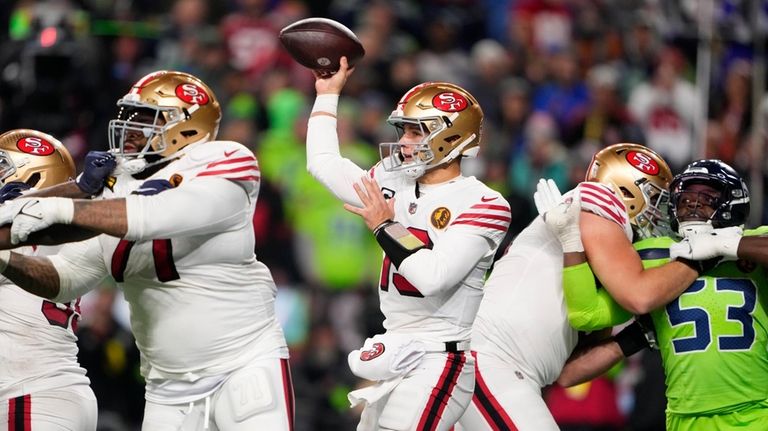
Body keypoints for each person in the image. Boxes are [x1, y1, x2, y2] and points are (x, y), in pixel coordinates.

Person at [0, 71, 294, 430]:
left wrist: (63, 206)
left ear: (186, 127)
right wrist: (5, 258)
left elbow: (153, 215)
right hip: (166, 388)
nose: (130, 127)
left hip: (242, 363)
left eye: (145, 118)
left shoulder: (225, 160)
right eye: (128, 116)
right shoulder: (117, 186)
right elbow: (65, 279)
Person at [306, 57, 511, 430]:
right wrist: (327, 95)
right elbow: (322, 162)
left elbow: (433, 276)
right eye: (403, 131)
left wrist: (386, 225)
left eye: (416, 132)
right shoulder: (392, 181)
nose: (403, 142)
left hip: (439, 358)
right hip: (396, 350)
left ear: (450, 137)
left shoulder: (485, 203)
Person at [456, 143, 702, 430]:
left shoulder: (592, 238)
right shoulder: (598, 203)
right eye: (655, 200)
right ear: (627, 191)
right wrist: (698, 259)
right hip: (491, 363)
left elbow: (570, 373)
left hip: (503, 369)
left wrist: (636, 336)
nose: (660, 215)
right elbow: (640, 296)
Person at [553, 159, 768, 430]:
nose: (693, 203)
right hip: (684, 419)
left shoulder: (754, 244)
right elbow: (571, 371)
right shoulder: (655, 255)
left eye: (707, 196)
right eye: (686, 196)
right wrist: (638, 337)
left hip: (756, 413)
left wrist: (725, 245)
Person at [0, 129, 98, 430]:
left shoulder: (20, 229)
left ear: (32, 177)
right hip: (47, 391)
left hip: (29, 393)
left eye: (3, 166)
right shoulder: (57, 227)